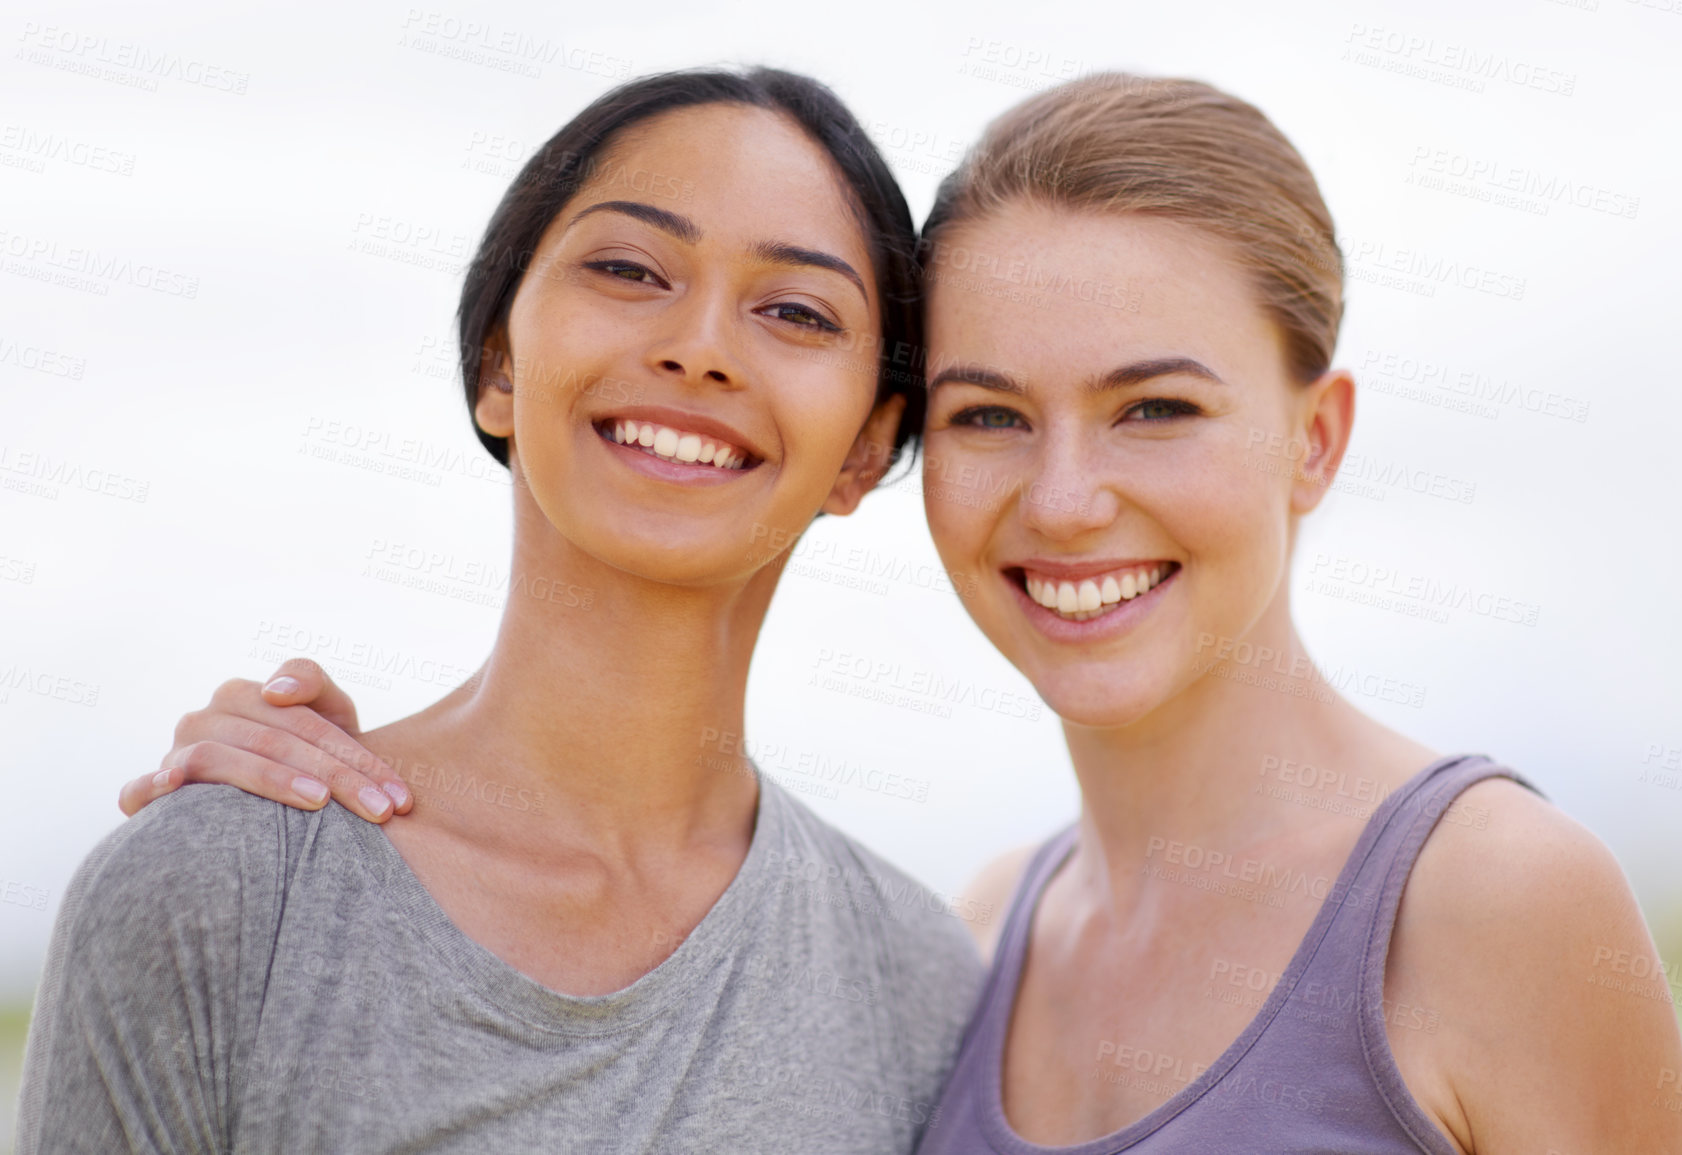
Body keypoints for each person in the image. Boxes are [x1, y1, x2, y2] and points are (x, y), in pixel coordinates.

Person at [107, 75, 1682, 1154]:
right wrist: (237, 848)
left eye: (1153, 408)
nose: (1064, 499)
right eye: (991, 414)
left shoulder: (1495, 899)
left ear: (1315, 439)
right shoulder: (978, 943)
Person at [17, 67, 982, 1155]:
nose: (701, 345)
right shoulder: (220, 892)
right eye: (627, 267)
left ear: (864, 446)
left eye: (797, 312)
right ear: (499, 368)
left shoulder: (920, 981)